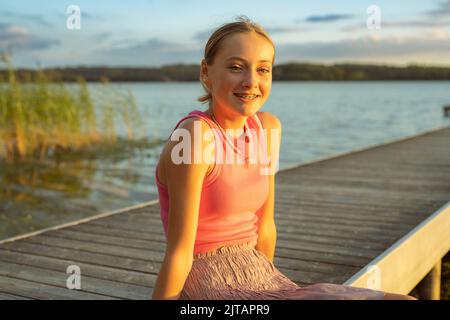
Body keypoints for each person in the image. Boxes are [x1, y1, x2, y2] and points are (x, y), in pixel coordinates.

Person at [151, 16, 416, 300]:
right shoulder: (194, 135)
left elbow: (266, 227)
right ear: (206, 72)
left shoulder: (268, 129)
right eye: (236, 67)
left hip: (260, 272)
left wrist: (273, 286)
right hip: (208, 280)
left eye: (263, 69)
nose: (251, 81)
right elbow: (179, 250)